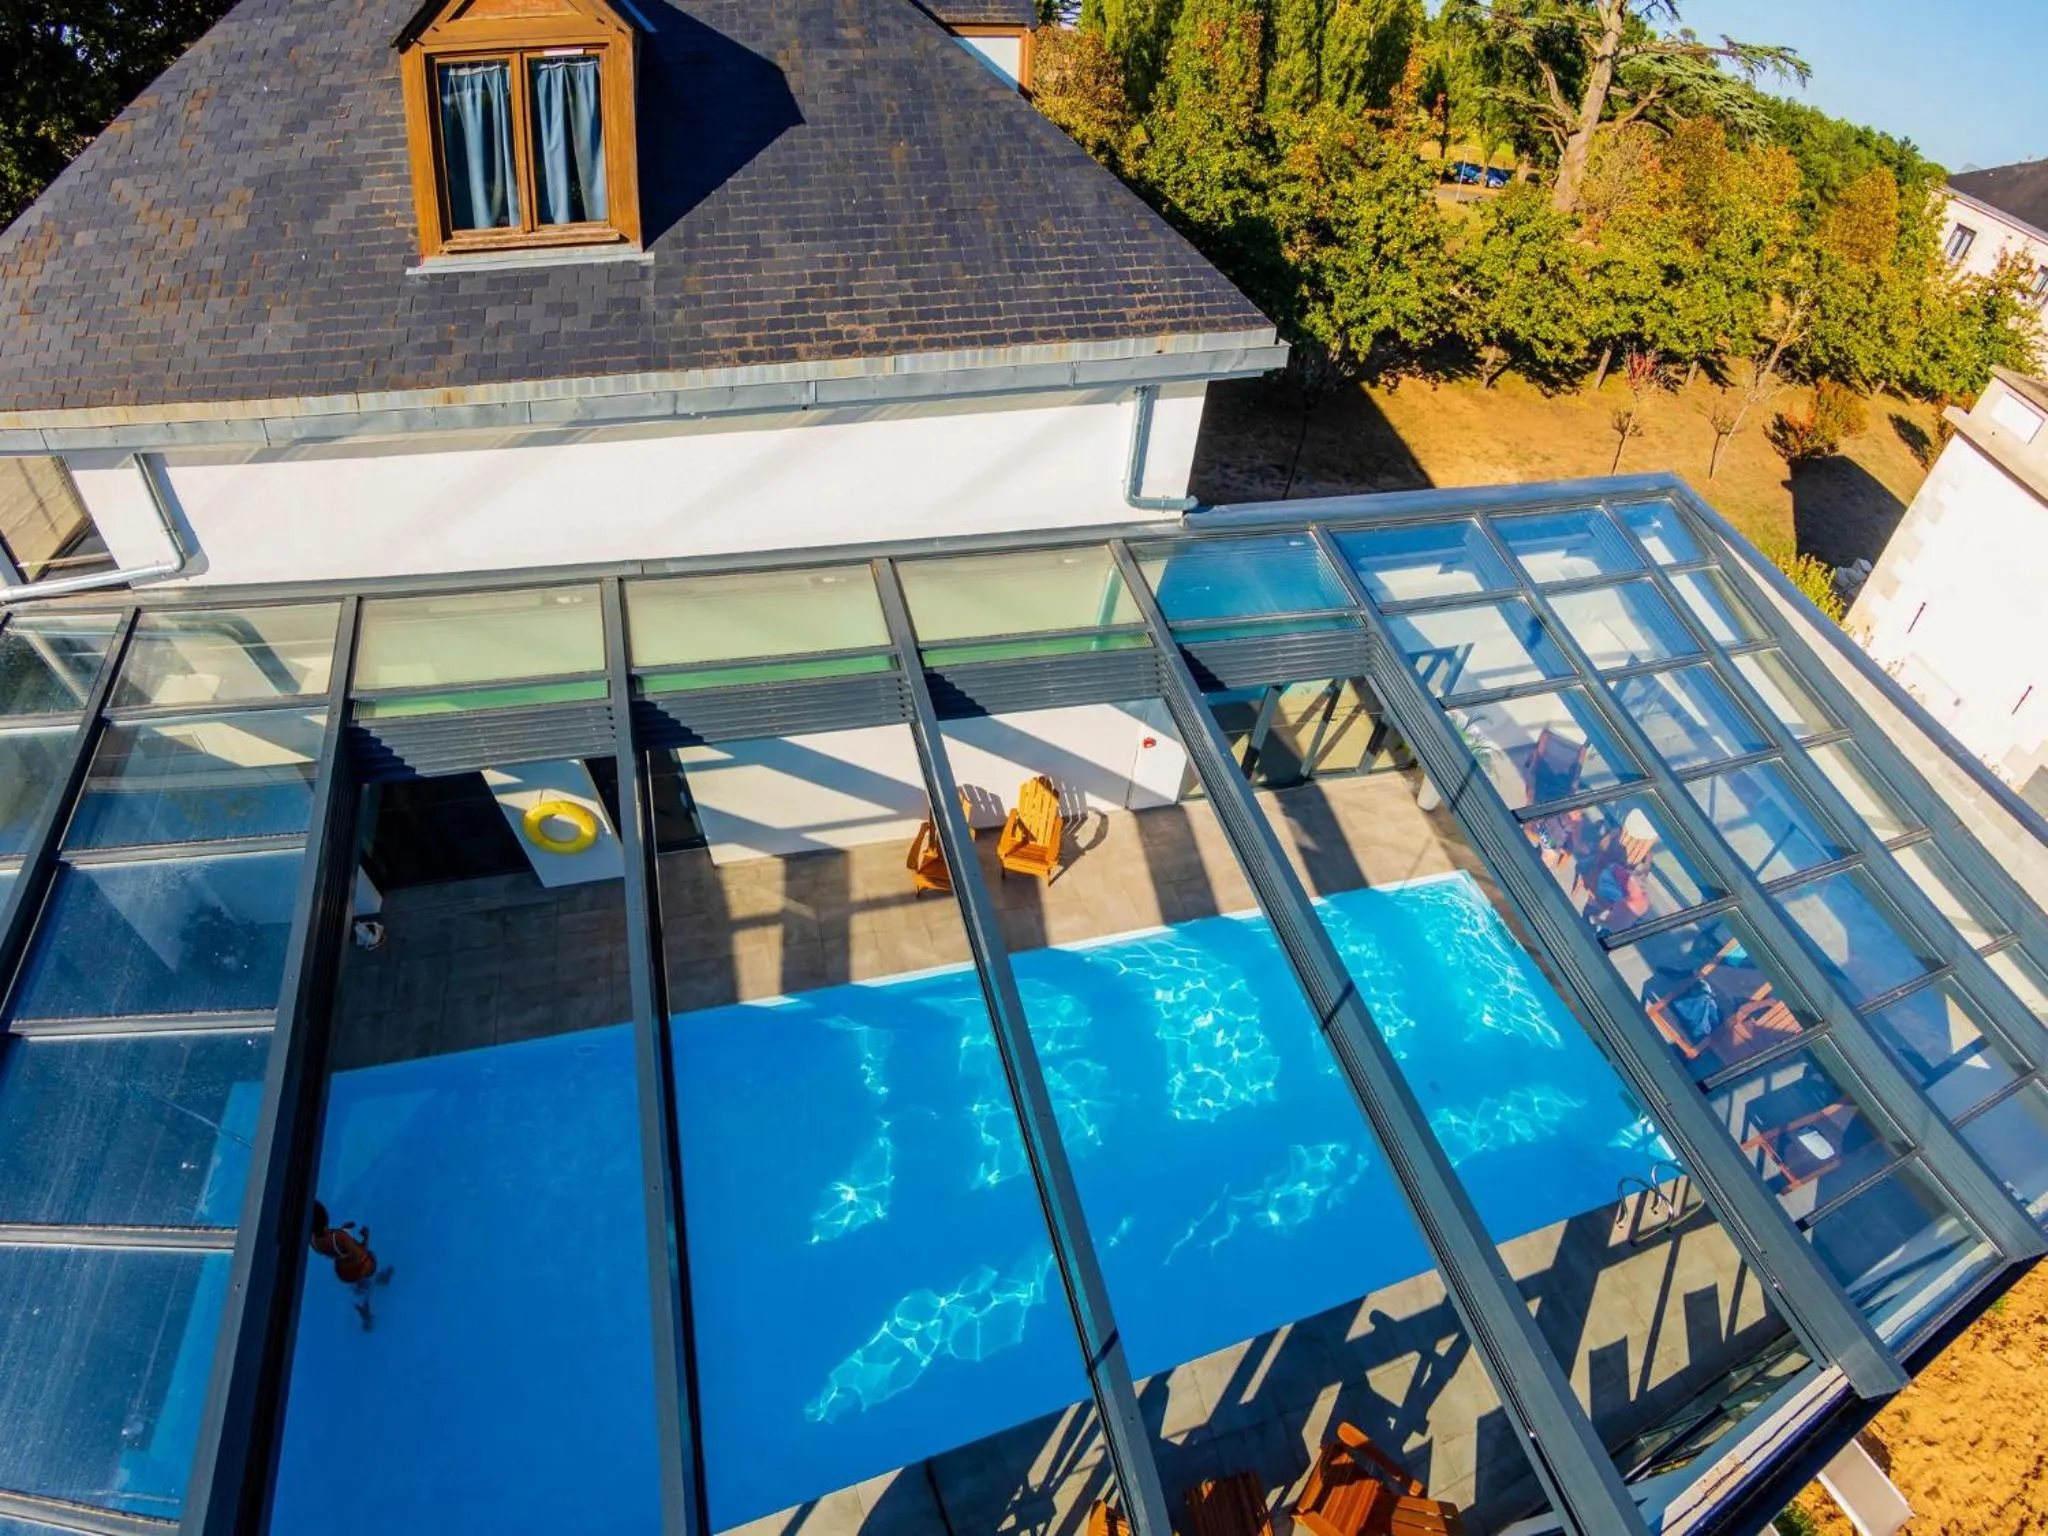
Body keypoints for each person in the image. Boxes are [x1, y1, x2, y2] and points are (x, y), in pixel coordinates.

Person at [310, 1199, 393, 1330]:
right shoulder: (341, 1237)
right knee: (368, 1267)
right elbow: (360, 1253)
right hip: (358, 1268)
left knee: (359, 1285)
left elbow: (333, 1249)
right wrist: (366, 1237)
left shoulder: (313, 1242)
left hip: (342, 1271)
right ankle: (372, 1293)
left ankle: (364, 1301)